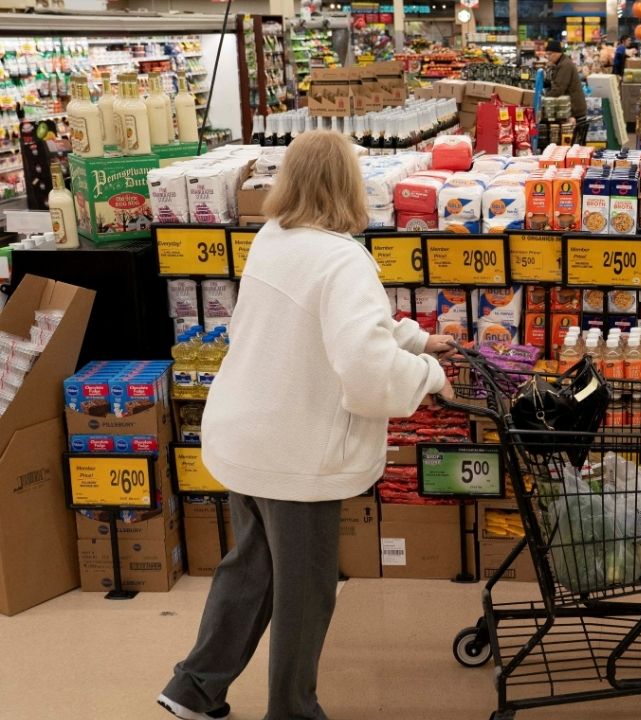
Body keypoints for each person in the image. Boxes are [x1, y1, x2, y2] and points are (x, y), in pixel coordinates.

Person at [156, 130, 455, 720]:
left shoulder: (275, 237)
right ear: (350, 186)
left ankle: (194, 688)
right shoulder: (344, 259)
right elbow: (367, 370)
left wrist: (417, 338)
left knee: (252, 568)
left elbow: (335, 326)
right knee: (304, 593)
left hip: (244, 435)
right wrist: (429, 374)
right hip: (296, 455)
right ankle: (291, 710)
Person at [545, 39, 588, 145]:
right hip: (571, 107)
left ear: (556, 53)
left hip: (574, 110)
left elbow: (558, 89)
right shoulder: (562, 63)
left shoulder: (565, 65)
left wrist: (543, 99)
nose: (548, 57)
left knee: (571, 143)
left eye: (549, 54)